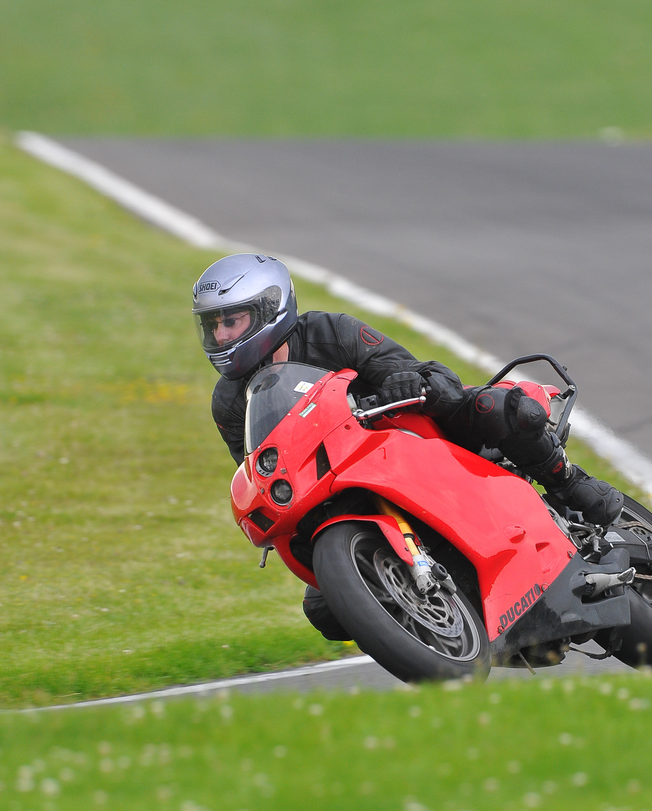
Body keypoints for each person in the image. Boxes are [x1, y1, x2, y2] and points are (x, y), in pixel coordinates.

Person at [193, 252, 623, 638]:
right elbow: (265, 467)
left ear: (271, 309)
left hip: (412, 434)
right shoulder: (229, 403)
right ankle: (445, 620)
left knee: (504, 408)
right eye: (213, 326)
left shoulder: (333, 333)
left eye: (232, 321)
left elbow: (428, 375)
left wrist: (409, 381)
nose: (223, 336)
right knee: (323, 608)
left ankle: (569, 482)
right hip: (344, 481)